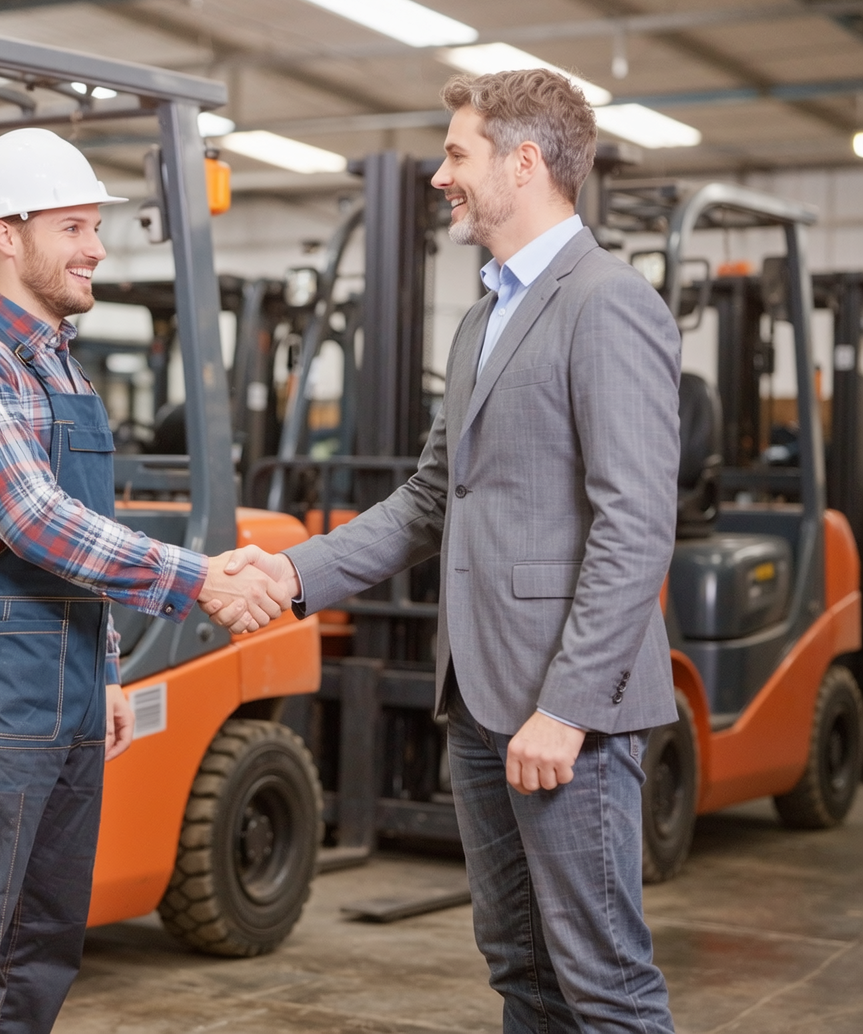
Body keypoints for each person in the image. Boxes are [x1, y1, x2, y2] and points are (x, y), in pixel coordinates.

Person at [223, 69, 680, 1034]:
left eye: (457, 155)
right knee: (520, 966)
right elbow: (432, 499)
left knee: (605, 985)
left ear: (526, 162)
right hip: (478, 699)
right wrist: (294, 573)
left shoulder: (606, 302)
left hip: (565, 712)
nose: (441, 177)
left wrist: (567, 705)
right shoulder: (483, 316)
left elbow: (635, 523)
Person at [0, 128, 280, 1034]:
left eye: (95, 225)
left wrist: (102, 665)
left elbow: (80, 532)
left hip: (62, 680)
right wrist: (197, 578)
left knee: (47, 932)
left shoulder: (63, 363)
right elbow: (32, 518)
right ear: (5, 235)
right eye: (73, 227)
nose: (96, 247)